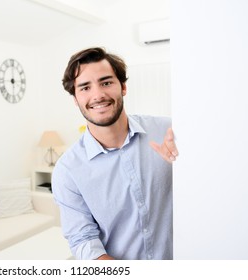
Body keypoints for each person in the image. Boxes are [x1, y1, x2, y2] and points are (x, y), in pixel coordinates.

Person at [51, 47, 178, 260]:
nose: (98, 95)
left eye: (106, 82)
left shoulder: (169, 132)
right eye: (84, 87)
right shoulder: (67, 171)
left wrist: (186, 165)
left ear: (123, 87)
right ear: (75, 98)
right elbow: (84, 242)